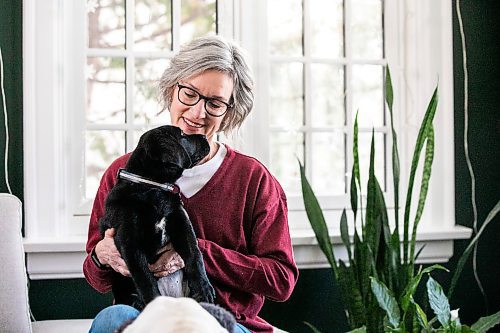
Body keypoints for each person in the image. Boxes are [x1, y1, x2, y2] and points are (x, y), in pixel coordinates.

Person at [83, 35, 299, 333]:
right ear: (171, 90)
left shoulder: (253, 179)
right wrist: (102, 255)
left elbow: (281, 280)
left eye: (215, 103)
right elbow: (96, 278)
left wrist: (194, 252)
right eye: (189, 94)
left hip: (224, 322)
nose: (198, 113)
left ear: (230, 111)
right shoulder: (122, 173)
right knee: (111, 319)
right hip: (145, 322)